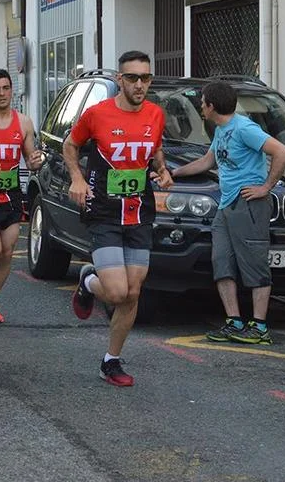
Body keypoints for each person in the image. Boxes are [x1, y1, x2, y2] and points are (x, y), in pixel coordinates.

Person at [66, 51, 173, 386]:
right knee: (116, 292)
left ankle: (111, 360)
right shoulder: (97, 114)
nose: (140, 84)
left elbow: (155, 148)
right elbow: (70, 145)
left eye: (145, 78)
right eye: (132, 78)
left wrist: (162, 169)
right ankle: (88, 281)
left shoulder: (155, 113)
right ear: (119, 80)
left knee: (133, 292)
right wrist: (77, 178)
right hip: (105, 211)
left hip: (138, 211)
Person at [171, 80, 285, 346]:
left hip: (248, 204)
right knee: (221, 261)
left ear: (212, 106)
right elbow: (207, 161)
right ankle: (234, 322)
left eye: (203, 102)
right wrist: (174, 173)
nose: (201, 107)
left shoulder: (244, 128)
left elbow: (281, 152)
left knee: (254, 264)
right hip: (226, 205)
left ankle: (259, 327)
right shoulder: (221, 129)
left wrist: (265, 187)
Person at [0, 69, 44, 324]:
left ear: (12, 91)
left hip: (12, 195)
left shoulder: (23, 122)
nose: (2, 94)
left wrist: (36, 161)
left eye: (6, 88)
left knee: (7, 251)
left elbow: (31, 159)